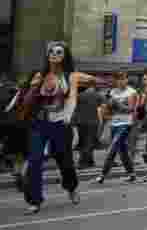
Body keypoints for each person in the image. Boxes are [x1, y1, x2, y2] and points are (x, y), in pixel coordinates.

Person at [21, 41, 94, 214]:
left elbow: (74, 100)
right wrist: (33, 87)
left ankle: (71, 187)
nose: (54, 55)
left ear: (64, 56)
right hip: (39, 123)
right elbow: (26, 101)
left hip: (61, 125)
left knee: (65, 160)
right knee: (35, 160)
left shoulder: (70, 77)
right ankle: (35, 200)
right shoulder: (38, 74)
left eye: (59, 52)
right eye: (51, 52)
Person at [94, 72, 138, 184]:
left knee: (112, 148)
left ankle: (102, 175)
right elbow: (108, 109)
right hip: (114, 124)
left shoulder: (131, 92)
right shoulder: (112, 92)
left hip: (125, 124)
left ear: (127, 80)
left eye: (123, 79)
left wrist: (116, 103)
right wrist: (106, 107)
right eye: (118, 79)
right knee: (122, 151)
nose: (121, 81)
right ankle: (131, 174)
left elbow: (130, 109)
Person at [72, 79, 102, 169]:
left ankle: (90, 161)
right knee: (89, 143)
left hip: (80, 122)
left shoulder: (79, 96)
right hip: (93, 122)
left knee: (83, 142)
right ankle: (82, 162)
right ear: (93, 85)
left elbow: (74, 108)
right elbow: (103, 107)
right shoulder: (98, 95)